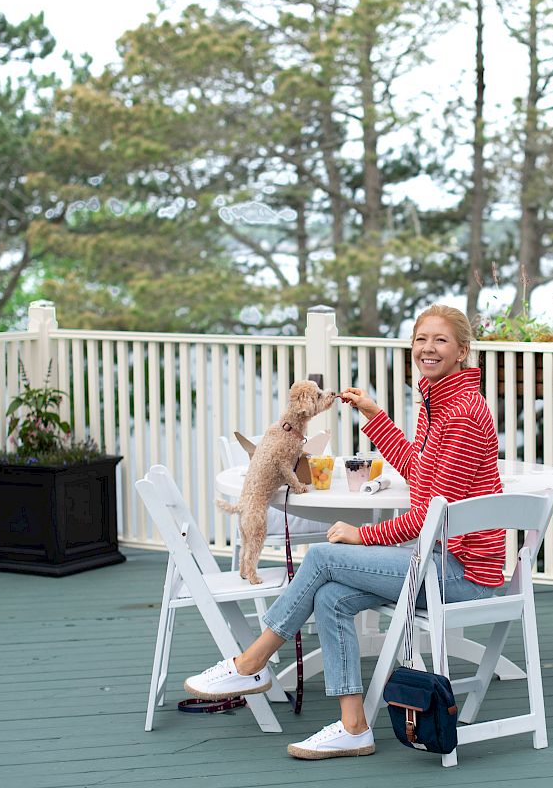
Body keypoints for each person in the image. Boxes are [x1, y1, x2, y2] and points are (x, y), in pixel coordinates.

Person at [184, 304, 505, 759]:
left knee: (321, 557)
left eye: (440, 341)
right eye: (421, 340)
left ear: (462, 350)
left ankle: (252, 663)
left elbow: (435, 519)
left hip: (460, 573)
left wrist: (363, 535)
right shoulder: (438, 401)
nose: (428, 349)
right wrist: (375, 415)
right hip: (434, 562)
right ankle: (354, 727)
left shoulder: (464, 412)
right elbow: (419, 472)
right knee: (332, 597)